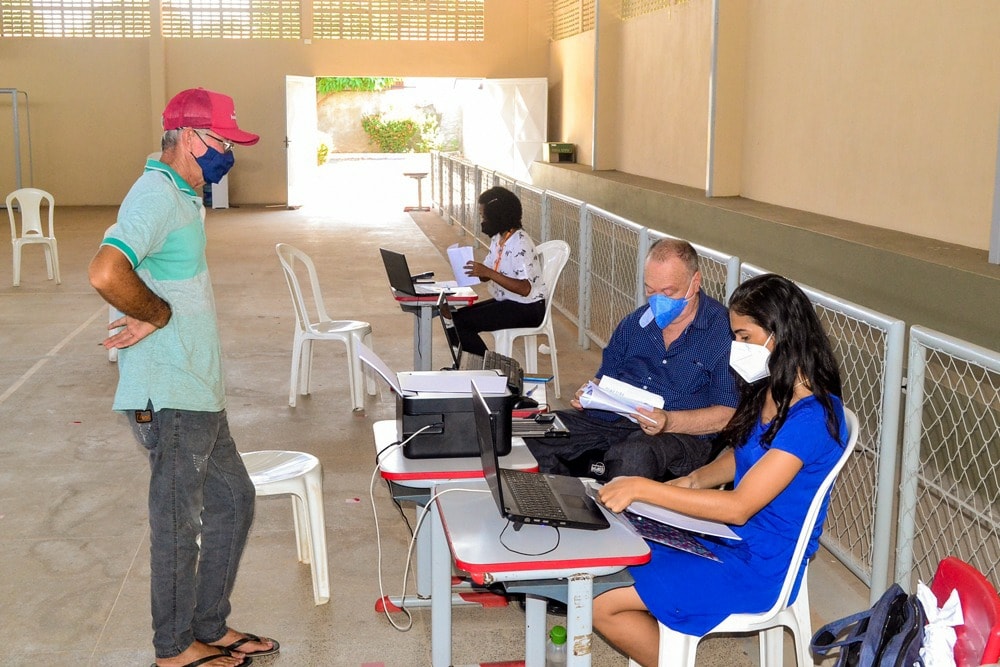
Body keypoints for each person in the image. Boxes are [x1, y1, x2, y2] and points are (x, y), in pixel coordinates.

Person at [88, 88, 277, 667]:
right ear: (190, 137)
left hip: (196, 386)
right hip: (167, 391)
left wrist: (162, 308)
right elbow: (106, 270)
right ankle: (173, 649)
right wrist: (156, 312)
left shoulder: (184, 192)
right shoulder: (155, 196)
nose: (228, 153)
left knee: (234, 499)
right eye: (222, 141)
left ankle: (207, 625)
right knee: (178, 521)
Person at [591, 273, 848, 667]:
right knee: (618, 558)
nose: (736, 347)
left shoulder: (812, 418)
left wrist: (644, 488)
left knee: (603, 603)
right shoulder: (772, 388)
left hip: (759, 564)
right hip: (726, 540)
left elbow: (739, 507)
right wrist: (694, 480)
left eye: (744, 336)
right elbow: (742, 453)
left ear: (780, 333)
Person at [524, 238, 739, 482]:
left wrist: (668, 421)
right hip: (613, 420)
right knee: (538, 429)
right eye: (650, 290)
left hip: (678, 432)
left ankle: (622, 516)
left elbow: (727, 414)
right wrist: (589, 391)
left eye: (669, 292)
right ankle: (558, 502)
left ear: (695, 282)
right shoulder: (634, 324)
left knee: (634, 455)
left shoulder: (723, 333)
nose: (658, 301)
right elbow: (604, 377)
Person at [449, 186, 547, 357]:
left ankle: (488, 371)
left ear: (497, 215)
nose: (482, 221)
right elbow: (487, 275)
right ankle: (482, 367)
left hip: (528, 308)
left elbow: (525, 289)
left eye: (484, 216)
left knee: (460, 323)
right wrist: (470, 268)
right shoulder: (498, 239)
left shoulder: (520, 243)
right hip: (509, 301)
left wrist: (488, 272)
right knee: (454, 318)